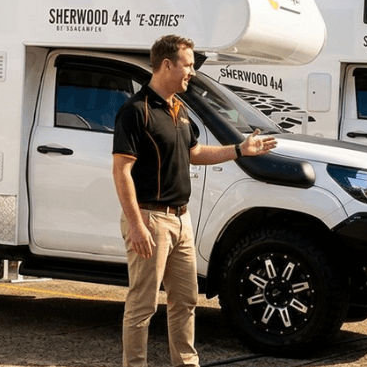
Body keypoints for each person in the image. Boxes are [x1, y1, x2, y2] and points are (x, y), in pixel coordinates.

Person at [111, 34, 277, 367]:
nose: (192, 73)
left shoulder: (179, 108)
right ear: (167, 65)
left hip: (181, 220)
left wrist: (239, 150)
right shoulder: (135, 110)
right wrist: (136, 224)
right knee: (142, 305)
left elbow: (194, 153)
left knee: (185, 301)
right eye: (187, 65)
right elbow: (121, 172)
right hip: (150, 219)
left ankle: (186, 363)